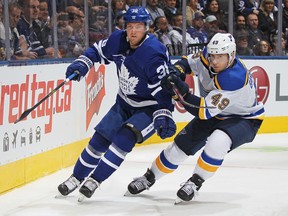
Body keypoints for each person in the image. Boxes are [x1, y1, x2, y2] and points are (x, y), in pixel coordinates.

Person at [126, 32, 265, 204]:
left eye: (220, 57)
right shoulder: (207, 56)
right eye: (213, 55)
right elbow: (186, 63)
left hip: (244, 118)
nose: (214, 61)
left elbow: (202, 111)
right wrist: (175, 72)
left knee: (218, 141)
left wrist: (180, 92)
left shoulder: (234, 78)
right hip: (217, 112)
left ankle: (195, 182)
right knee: (178, 148)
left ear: (232, 55)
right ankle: (149, 177)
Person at [57, 6, 177, 200]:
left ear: (146, 28)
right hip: (124, 103)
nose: (133, 31)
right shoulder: (118, 40)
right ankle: (76, 177)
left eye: (138, 26)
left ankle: (94, 180)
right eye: (130, 26)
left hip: (148, 108)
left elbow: (163, 89)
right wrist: (83, 63)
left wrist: (164, 111)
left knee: (124, 138)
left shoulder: (153, 52)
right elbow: (96, 51)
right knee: (99, 140)